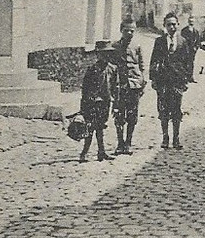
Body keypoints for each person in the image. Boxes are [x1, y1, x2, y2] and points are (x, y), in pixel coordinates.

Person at [149, 12, 191, 150]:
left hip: (177, 81)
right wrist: (153, 79)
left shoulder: (183, 41)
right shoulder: (159, 41)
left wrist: (186, 80)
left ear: (178, 25)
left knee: (176, 110)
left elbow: (187, 63)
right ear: (164, 26)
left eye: (174, 24)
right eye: (169, 25)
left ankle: (176, 138)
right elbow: (154, 60)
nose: (172, 27)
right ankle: (165, 137)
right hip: (163, 81)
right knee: (163, 110)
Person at [79, 40, 119, 163]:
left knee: (101, 128)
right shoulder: (92, 70)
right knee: (90, 128)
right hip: (92, 103)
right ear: (98, 55)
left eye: (108, 53)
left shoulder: (112, 69)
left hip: (105, 103)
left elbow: (114, 87)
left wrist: (115, 103)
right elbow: (85, 89)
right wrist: (84, 106)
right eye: (103, 54)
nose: (106, 56)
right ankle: (84, 153)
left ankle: (101, 152)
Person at [112, 17, 146, 154]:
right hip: (120, 85)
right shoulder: (115, 47)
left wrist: (143, 83)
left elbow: (142, 66)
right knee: (119, 115)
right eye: (127, 31)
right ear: (121, 30)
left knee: (132, 115)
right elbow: (112, 67)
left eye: (132, 31)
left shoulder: (137, 47)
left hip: (135, 85)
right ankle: (120, 143)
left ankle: (128, 143)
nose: (130, 33)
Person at [180, 14, 201, 83]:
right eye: (190, 21)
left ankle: (190, 77)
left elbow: (198, 40)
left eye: (192, 21)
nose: (191, 22)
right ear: (188, 21)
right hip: (185, 50)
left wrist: (196, 47)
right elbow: (182, 40)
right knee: (185, 63)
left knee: (191, 63)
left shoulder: (196, 31)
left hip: (192, 50)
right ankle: (184, 77)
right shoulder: (184, 30)